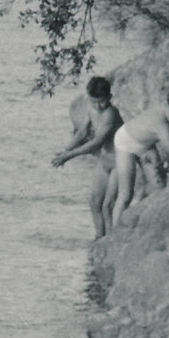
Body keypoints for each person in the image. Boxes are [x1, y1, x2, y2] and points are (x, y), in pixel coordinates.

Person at [106, 89, 169, 227]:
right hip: (125, 141)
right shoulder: (161, 122)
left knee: (159, 186)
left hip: (145, 145)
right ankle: (114, 233)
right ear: (167, 106)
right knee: (125, 194)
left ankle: (136, 207)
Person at [52, 76, 124, 237]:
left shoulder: (110, 114)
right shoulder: (92, 110)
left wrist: (69, 156)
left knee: (108, 206)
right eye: (94, 102)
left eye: (102, 101)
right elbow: (83, 132)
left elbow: (96, 143)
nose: (98, 106)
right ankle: (99, 237)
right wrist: (65, 150)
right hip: (104, 161)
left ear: (110, 97)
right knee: (94, 202)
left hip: (120, 163)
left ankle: (110, 241)